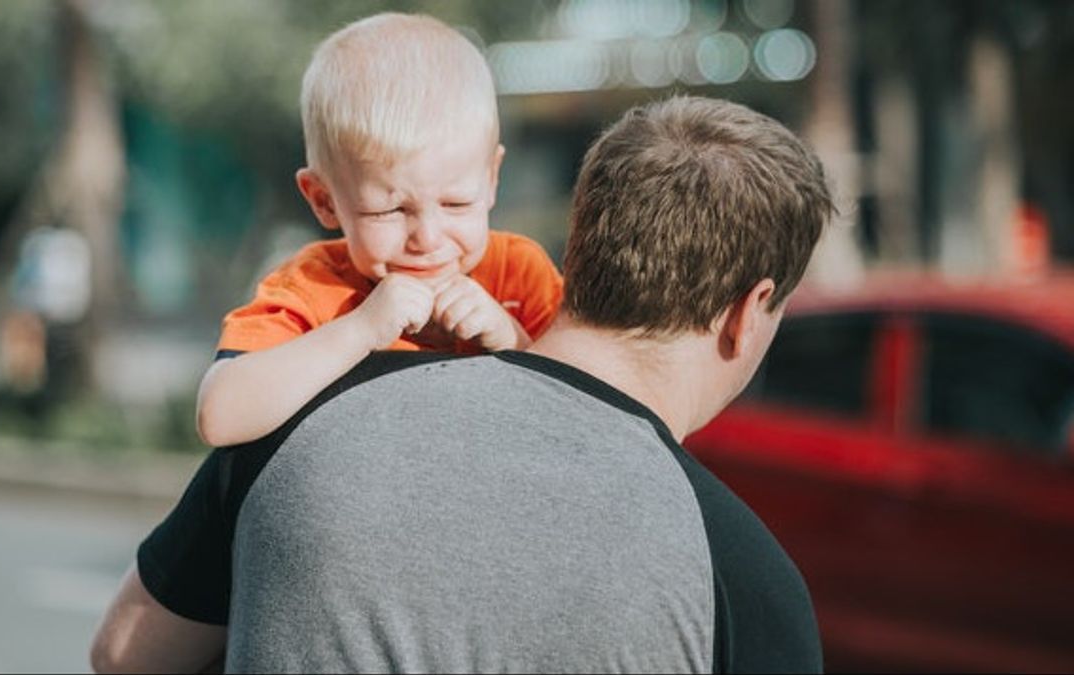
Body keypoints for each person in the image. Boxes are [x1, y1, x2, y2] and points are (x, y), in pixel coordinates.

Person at [91, 95, 834, 673]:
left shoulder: (305, 419)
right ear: (746, 314)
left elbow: (124, 654)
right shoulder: (744, 577)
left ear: (582, 244)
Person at [195, 13, 564, 448]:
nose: (427, 239)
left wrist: (513, 340)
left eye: (455, 203)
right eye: (388, 210)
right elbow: (221, 417)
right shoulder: (313, 287)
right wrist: (360, 329)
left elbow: (590, 414)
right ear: (323, 200)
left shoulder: (519, 274)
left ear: (492, 179)